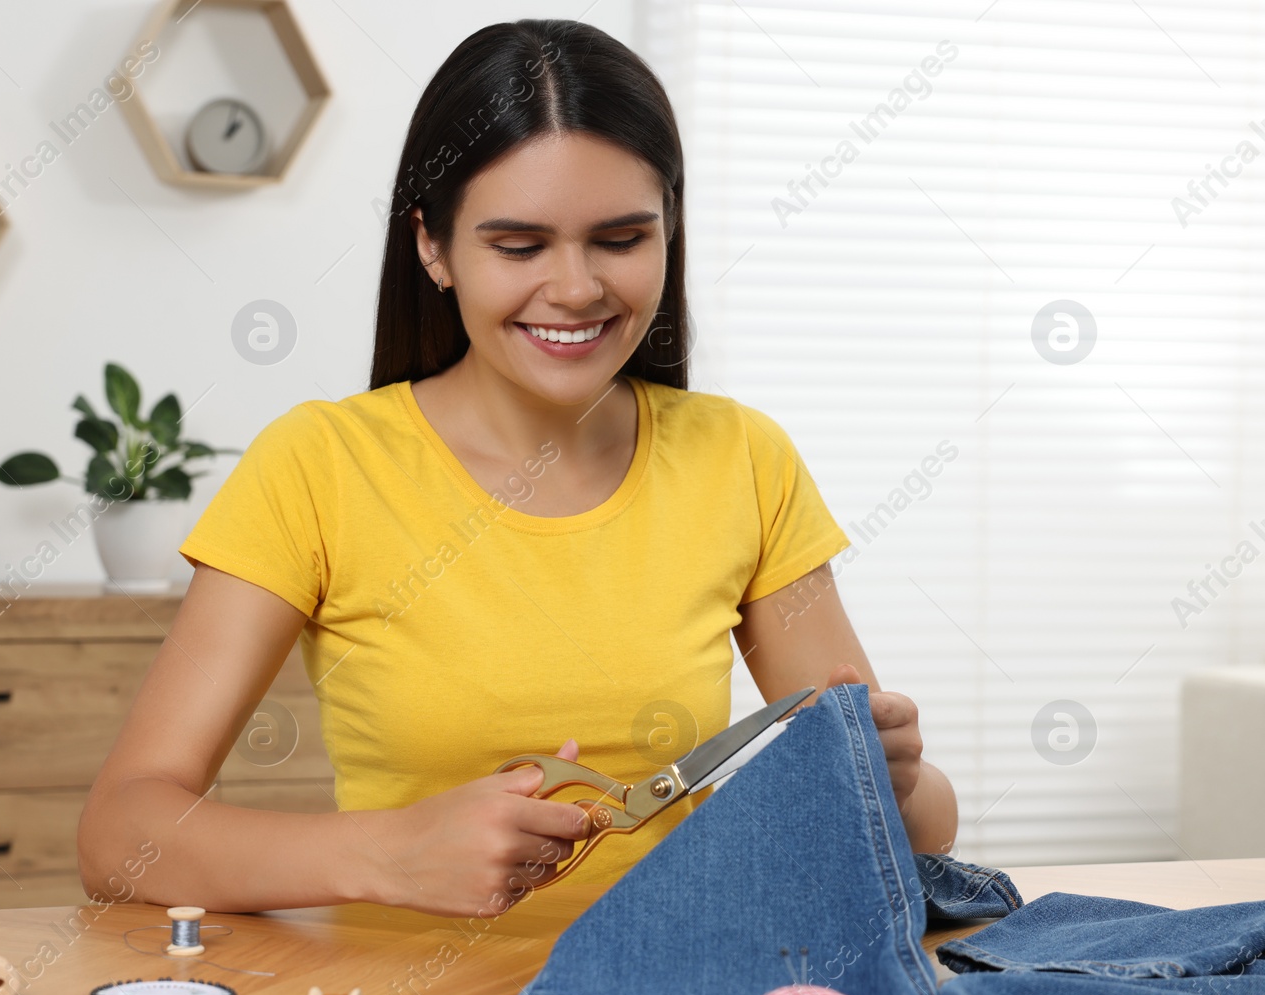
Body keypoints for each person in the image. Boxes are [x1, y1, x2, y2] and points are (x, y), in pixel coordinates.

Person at [77, 18, 958, 918]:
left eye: (620, 239)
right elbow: (121, 833)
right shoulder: (318, 466)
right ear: (432, 245)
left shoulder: (742, 458)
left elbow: (921, 834)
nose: (576, 288)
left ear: (669, 231)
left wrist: (895, 777)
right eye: (519, 246)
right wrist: (390, 854)